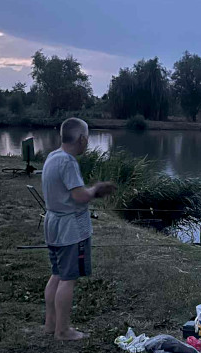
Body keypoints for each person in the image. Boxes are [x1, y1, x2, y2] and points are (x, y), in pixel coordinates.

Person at [42, 118, 116, 340]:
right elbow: (79, 196)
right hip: (70, 229)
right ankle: (63, 331)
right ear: (82, 139)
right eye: (87, 138)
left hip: (53, 225)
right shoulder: (68, 162)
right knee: (68, 278)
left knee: (57, 274)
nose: (87, 142)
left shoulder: (52, 156)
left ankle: (50, 325)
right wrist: (96, 190)